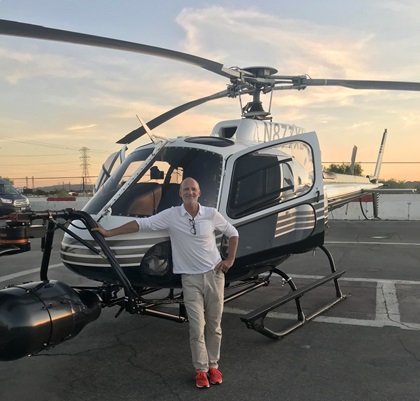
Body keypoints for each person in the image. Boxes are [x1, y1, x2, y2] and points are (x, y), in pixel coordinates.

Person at [92, 177, 239, 389]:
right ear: (180, 194)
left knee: (214, 326)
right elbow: (141, 224)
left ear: (199, 193)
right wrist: (108, 232)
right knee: (197, 327)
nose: (190, 192)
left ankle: (214, 366)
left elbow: (233, 233)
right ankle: (201, 370)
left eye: (193, 189)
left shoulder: (211, 214)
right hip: (190, 279)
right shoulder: (171, 215)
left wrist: (230, 260)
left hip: (214, 275)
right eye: (186, 189)